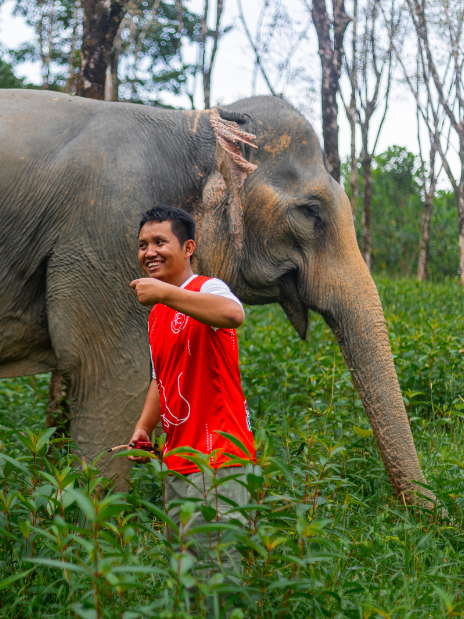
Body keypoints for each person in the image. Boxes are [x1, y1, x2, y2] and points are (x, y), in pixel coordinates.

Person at [128, 204, 256, 579]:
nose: (149, 252)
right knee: (186, 578)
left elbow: (233, 315)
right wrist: (143, 427)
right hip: (178, 463)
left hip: (219, 459)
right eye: (142, 245)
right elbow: (161, 379)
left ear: (187, 248)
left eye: (159, 242)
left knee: (220, 575)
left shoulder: (207, 287)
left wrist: (165, 294)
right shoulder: (155, 315)